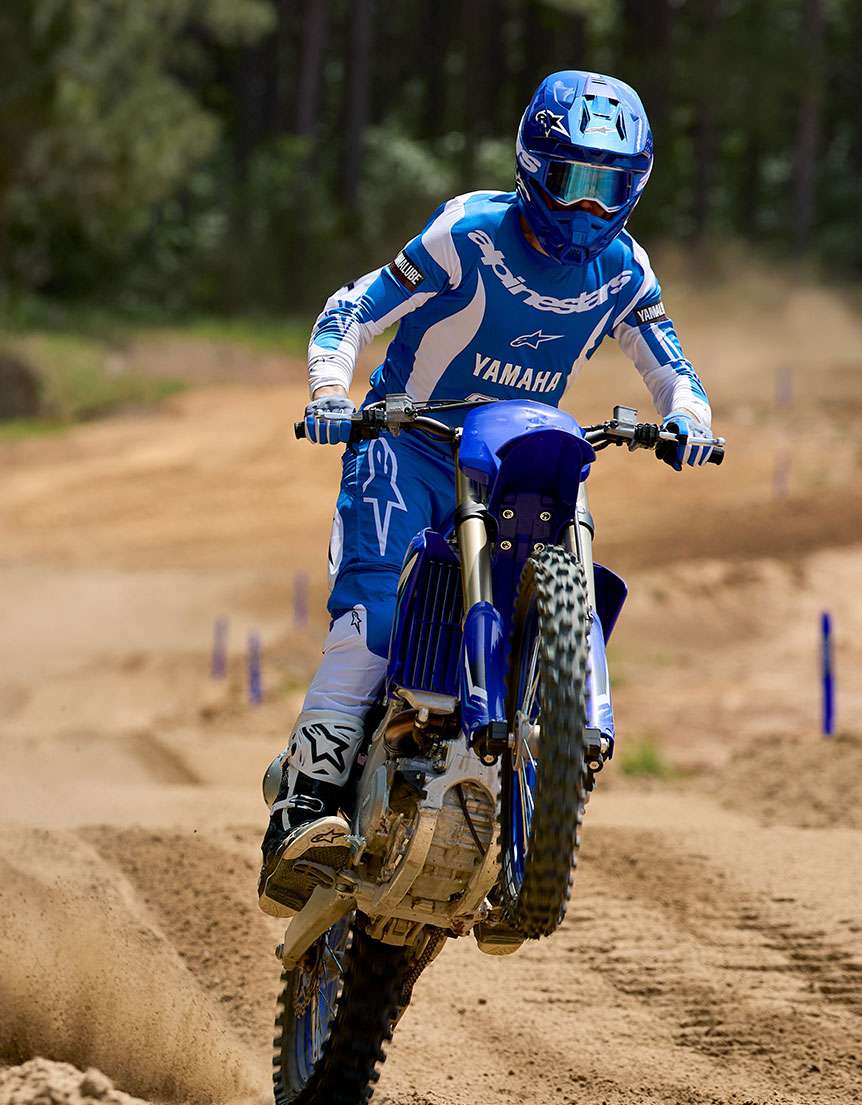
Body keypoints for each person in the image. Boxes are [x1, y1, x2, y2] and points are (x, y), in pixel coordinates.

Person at [260, 69, 717, 913]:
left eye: (610, 185)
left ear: (636, 188)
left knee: (542, 596)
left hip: (518, 458)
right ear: (533, 166)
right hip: (407, 442)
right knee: (375, 617)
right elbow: (352, 308)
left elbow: (671, 365)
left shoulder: (624, 269)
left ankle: (534, 812)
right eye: (573, 180)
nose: (589, 207)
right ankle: (304, 806)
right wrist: (330, 392)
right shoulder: (468, 233)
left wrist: (689, 417)